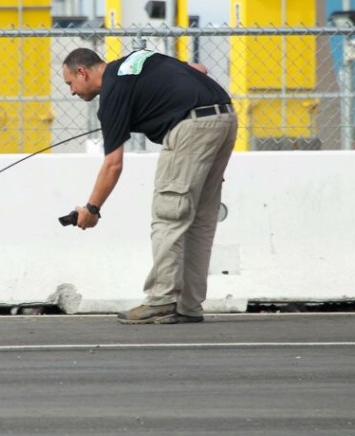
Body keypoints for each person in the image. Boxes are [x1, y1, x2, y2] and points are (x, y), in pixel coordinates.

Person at [61, 47, 237, 325]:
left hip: (191, 127)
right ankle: (188, 305)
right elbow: (198, 70)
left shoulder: (112, 93)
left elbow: (113, 164)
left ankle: (162, 301)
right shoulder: (136, 59)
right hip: (225, 117)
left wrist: (92, 209)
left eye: (70, 83)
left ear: (82, 72)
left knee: (170, 214)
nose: (72, 91)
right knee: (200, 219)